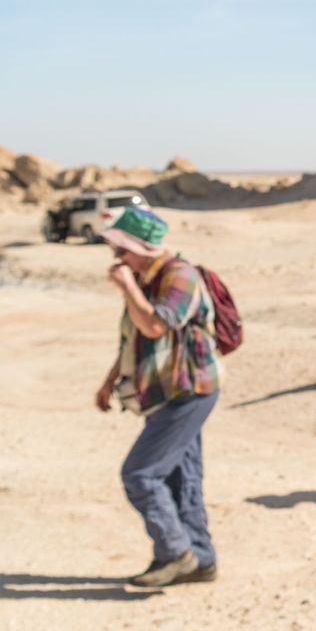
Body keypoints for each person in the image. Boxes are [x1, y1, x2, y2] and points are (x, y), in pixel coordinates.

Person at [92, 207, 223, 588]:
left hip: (189, 390)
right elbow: (132, 338)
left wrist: (128, 287)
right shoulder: (145, 278)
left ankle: (176, 553)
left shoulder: (180, 276)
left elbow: (154, 325)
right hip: (162, 391)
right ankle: (200, 561)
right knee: (182, 478)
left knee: (141, 474)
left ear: (143, 249)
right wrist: (110, 381)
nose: (117, 258)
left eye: (122, 250)